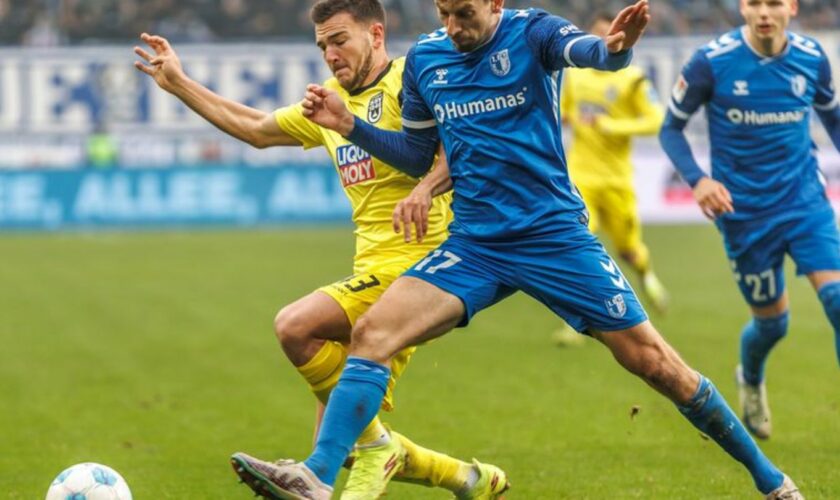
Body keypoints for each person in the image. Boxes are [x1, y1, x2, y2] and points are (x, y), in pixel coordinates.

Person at [249, 0, 803, 498]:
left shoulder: (531, 31)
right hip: (476, 243)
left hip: (552, 237)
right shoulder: (426, 60)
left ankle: (772, 481)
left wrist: (615, 47)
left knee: (656, 365)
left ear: (494, 2)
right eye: (443, 13)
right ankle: (318, 475)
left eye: (463, 13)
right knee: (373, 333)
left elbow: (590, 53)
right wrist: (350, 125)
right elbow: (418, 154)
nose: (453, 26)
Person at [133, 1, 509, 499]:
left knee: (296, 325)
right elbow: (256, 129)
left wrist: (426, 190)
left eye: (339, 40)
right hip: (370, 270)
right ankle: (468, 479)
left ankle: (379, 452)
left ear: (376, 34)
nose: (330, 55)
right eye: (322, 46)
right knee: (343, 444)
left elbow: (458, 151)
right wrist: (179, 83)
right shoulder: (329, 102)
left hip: (420, 269)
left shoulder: (411, 82)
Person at [659, 0, 840, 441]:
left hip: (804, 203)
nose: (764, 12)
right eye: (754, 2)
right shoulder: (712, 61)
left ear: (791, 8)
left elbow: (833, 117)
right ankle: (752, 379)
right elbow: (670, 129)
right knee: (772, 323)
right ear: (742, 8)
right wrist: (699, 180)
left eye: (774, 2)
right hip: (744, 215)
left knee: (837, 300)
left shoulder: (811, 57)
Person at [552, 10, 668, 347]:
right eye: (600, 37)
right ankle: (573, 324)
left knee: (629, 250)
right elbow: (565, 112)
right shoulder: (575, 77)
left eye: (613, 35)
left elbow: (656, 120)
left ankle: (647, 275)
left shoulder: (633, 79)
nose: (608, 42)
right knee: (576, 247)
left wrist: (613, 126)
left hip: (617, 181)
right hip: (581, 177)